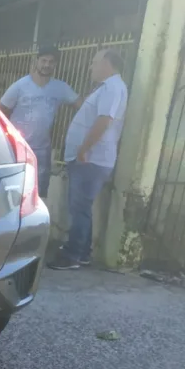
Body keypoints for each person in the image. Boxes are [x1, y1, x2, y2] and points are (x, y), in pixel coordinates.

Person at [49, 49, 129, 270]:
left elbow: (104, 121)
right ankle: (82, 253)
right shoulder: (107, 88)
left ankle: (72, 256)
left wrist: (84, 149)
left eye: (94, 63)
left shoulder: (112, 88)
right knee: (82, 207)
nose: (90, 67)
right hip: (88, 158)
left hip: (91, 159)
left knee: (79, 208)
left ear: (107, 64)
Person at [0, 45, 81, 198]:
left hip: (42, 150)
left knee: (39, 192)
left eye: (51, 62)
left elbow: (80, 106)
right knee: (14, 190)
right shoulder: (20, 86)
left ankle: (35, 221)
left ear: (55, 65)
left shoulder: (60, 88)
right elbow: (1, 111)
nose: (47, 65)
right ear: (36, 61)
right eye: (43, 60)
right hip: (18, 148)